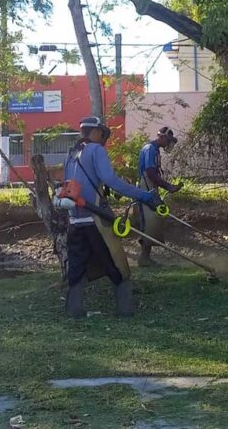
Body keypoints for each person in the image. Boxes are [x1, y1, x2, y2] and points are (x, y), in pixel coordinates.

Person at [63, 116, 159, 318]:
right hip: (95, 220)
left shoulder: (72, 154)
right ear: (96, 132)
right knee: (118, 265)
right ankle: (125, 310)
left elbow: (68, 186)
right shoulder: (96, 150)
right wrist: (144, 196)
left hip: (75, 220)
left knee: (77, 267)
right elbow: (110, 179)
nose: (103, 137)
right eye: (102, 133)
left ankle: (74, 310)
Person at [136, 126, 183, 267]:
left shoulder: (155, 150)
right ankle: (143, 258)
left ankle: (145, 257)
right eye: (168, 140)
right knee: (150, 220)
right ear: (160, 136)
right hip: (146, 188)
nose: (169, 144)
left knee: (154, 219)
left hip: (150, 187)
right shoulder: (149, 149)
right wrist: (168, 186)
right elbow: (150, 173)